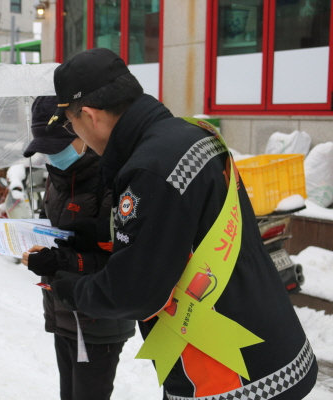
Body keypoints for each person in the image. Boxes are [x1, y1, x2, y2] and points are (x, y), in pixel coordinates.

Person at [46, 48, 317, 399]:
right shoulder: (192, 134)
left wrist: (70, 290)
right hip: (273, 346)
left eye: (71, 123)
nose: (75, 134)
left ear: (89, 115)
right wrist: (101, 231)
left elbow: (134, 292)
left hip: (231, 373)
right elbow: (183, 227)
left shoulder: (148, 168)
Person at [20, 96, 136, 400]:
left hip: (98, 318)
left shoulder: (115, 179)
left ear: (82, 132)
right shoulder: (57, 178)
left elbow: (124, 262)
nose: (50, 155)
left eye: (56, 146)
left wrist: (61, 259)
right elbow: (57, 231)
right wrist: (38, 246)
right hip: (61, 307)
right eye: (44, 148)